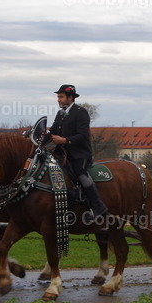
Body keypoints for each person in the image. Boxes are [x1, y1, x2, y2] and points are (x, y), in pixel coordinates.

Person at [48, 83, 109, 220]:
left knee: (79, 172)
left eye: (61, 97)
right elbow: (52, 132)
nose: (58, 99)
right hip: (61, 154)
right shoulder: (60, 113)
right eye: (58, 97)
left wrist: (64, 140)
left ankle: (98, 206)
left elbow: (82, 136)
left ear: (70, 98)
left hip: (79, 154)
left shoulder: (81, 113)